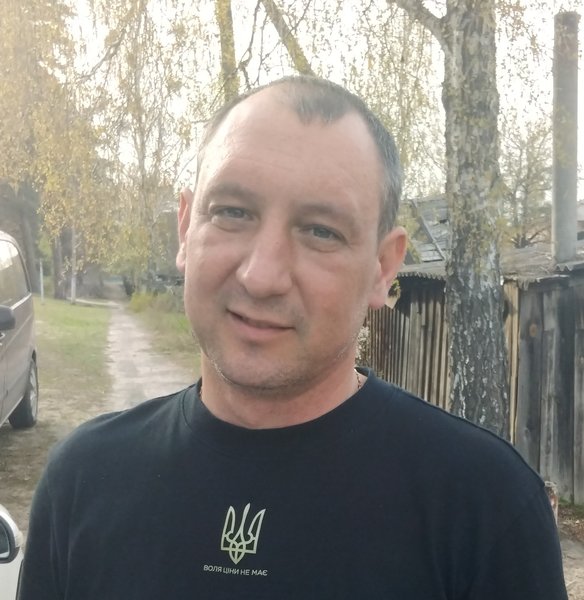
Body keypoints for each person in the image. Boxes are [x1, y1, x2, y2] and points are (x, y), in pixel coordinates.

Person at [19, 76, 567, 599]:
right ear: (186, 228)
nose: (262, 275)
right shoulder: (82, 481)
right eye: (233, 212)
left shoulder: (483, 508)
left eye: (321, 231)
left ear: (382, 267)